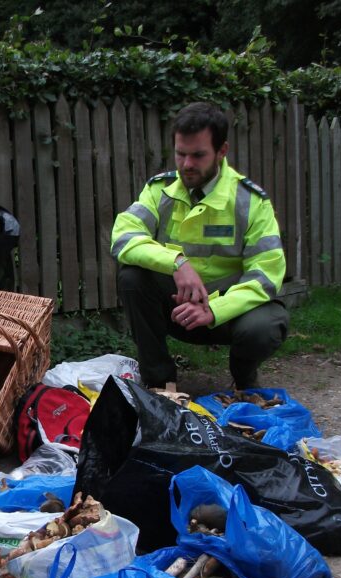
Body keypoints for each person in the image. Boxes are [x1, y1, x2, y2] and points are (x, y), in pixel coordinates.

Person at [112, 101, 289, 391]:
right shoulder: (159, 190)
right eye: (180, 154)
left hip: (231, 316)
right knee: (131, 276)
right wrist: (177, 262)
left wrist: (215, 310)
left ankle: (244, 380)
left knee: (265, 326)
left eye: (198, 155)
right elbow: (123, 237)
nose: (187, 165)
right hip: (178, 310)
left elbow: (266, 275)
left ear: (222, 151)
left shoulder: (251, 201)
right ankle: (159, 384)